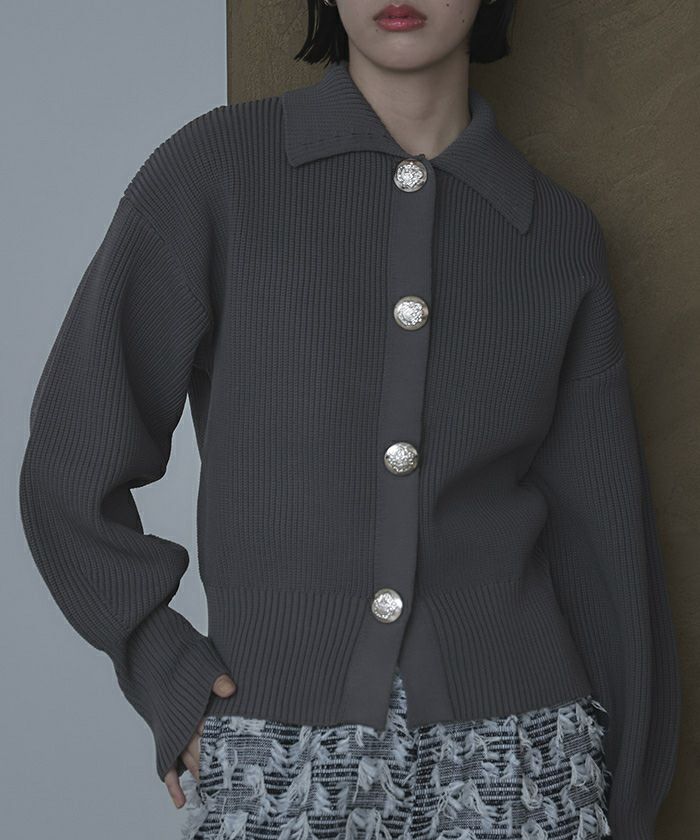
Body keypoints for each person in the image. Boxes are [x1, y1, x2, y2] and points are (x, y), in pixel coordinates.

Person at [18, 1, 681, 839]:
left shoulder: (552, 232)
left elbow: (606, 549)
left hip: (526, 757)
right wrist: (163, 665)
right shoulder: (219, 172)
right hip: (278, 752)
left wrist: (626, 803)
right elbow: (69, 465)